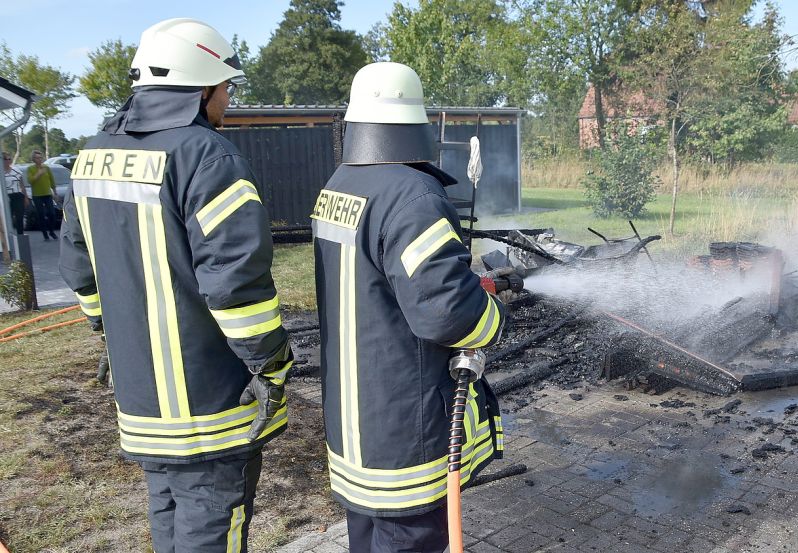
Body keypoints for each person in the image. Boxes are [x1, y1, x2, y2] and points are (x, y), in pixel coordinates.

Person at [59, 18, 292, 553]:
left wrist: (105, 329)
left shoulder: (93, 154)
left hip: (140, 397)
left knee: (167, 514)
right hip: (208, 401)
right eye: (226, 86)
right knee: (211, 526)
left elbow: (78, 263)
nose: (228, 99)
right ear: (201, 86)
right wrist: (270, 364)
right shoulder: (206, 156)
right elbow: (235, 284)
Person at [312, 62, 509, 553]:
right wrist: (492, 317)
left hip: (356, 422)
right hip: (406, 427)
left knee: (368, 536)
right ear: (417, 125)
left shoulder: (340, 185)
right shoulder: (412, 195)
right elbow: (446, 312)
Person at [26, 150, 58, 240]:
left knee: (52, 214)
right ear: (33, 159)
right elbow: (30, 181)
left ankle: (51, 231)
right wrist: (38, 174)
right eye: (37, 158)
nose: (39, 159)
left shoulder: (46, 168)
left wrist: (55, 193)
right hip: (37, 195)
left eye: (40, 157)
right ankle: (45, 234)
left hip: (47, 194)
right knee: (41, 214)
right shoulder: (30, 169)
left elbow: (52, 181)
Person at [3, 152, 27, 236]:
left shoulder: (16, 170)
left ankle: (20, 235)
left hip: (17, 195)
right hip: (5, 197)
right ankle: (8, 236)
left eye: (10, 159)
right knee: (7, 217)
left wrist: (25, 197)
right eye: (6, 159)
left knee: (19, 216)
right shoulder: (1, 173)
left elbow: (22, 185)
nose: (9, 161)